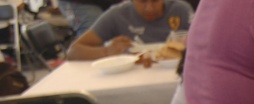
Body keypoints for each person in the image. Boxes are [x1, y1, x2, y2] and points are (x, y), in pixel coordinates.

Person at [65, 0, 193, 61]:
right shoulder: (117, 14)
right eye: (142, 2)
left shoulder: (181, 10)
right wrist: (107, 51)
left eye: (155, 1)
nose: (149, 8)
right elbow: (73, 51)